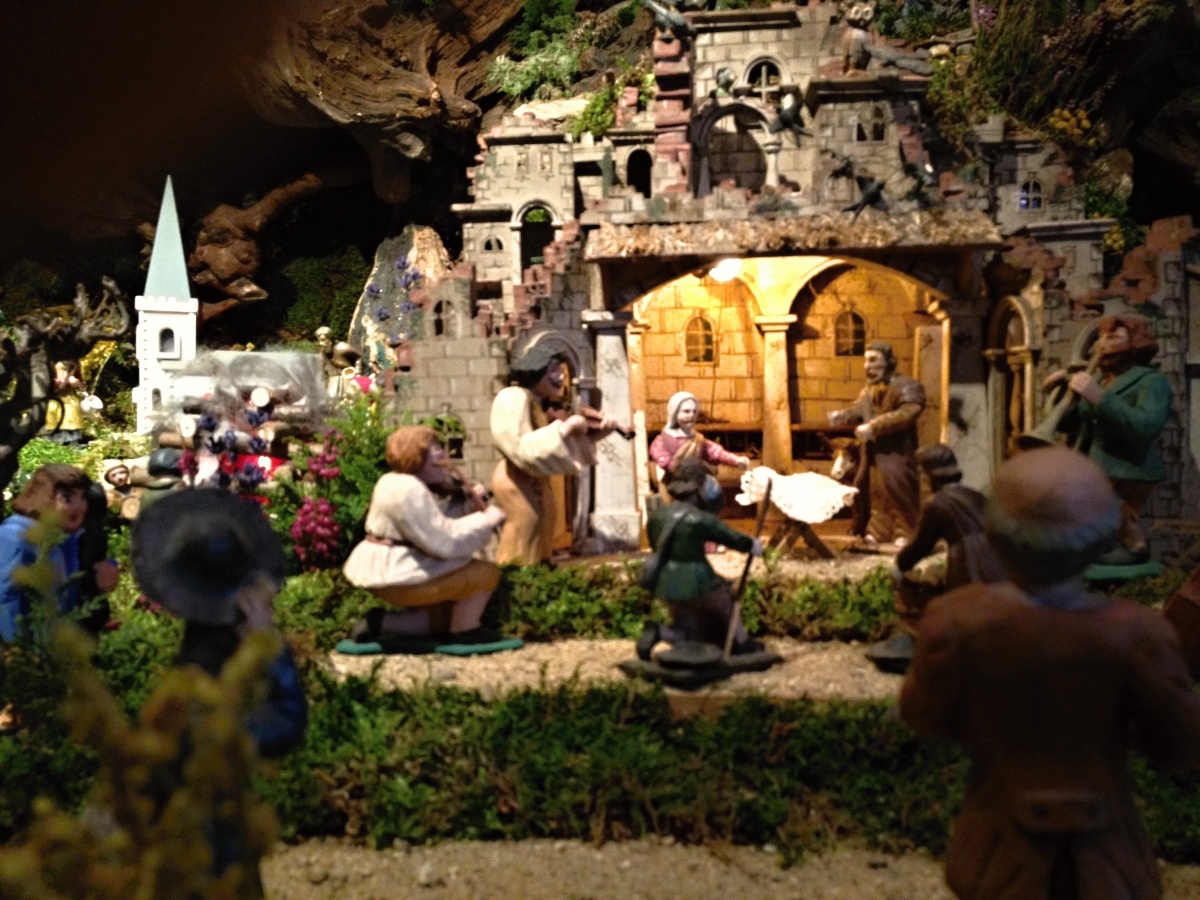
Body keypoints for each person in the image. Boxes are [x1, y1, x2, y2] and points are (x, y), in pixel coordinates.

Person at [900, 446, 1200, 900]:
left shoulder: (954, 622)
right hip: (1108, 856)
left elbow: (925, 717)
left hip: (994, 848)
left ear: (995, 533)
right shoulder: (1139, 634)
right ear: (1103, 538)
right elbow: (1178, 745)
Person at [131, 488, 307, 890]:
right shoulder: (204, 676)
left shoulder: (196, 657)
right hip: (205, 841)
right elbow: (281, 725)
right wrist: (271, 649)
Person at [343, 425, 508, 644]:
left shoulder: (392, 481)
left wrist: (468, 503)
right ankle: (465, 630)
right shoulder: (409, 489)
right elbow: (444, 540)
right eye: (434, 448)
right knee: (484, 573)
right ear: (414, 454)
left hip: (391, 571)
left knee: (440, 618)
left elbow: (428, 523)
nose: (442, 454)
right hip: (399, 576)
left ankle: (378, 623)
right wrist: (486, 520)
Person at [867, 444, 1006, 672]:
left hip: (970, 560)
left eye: (921, 473)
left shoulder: (937, 503)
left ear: (929, 475)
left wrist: (900, 566)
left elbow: (921, 544)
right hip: (997, 560)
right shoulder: (975, 495)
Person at [1047, 313, 1172, 565]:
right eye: (1102, 337)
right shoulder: (1101, 380)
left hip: (1129, 468)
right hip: (1099, 466)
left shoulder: (1152, 382)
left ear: (1135, 344)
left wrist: (1099, 397)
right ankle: (1101, 547)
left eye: (1114, 338)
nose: (1103, 344)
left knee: (1118, 511)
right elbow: (1070, 424)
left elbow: (1146, 427)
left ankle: (1135, 548)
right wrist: (1059, 393)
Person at [490, 344, 617, 565]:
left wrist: (602, 431)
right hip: (515, 478)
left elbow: (561, 447)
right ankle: (515, 575)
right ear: (536, 370)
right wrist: (565, 428)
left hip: (538, 479)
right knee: (526, 527)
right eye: (553, 370)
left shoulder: (544, 404)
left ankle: (542, 572)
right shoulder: (513, 396)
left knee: (546, 526)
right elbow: (518, 446)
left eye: (562, 370)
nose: (560, 376)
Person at [636, 457, 763, 660]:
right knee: (727, 603)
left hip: (665, 583)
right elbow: (729, 537)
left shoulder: (657, 517)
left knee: (686, 628)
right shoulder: (698, 519)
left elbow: (657, 546)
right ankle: (742, 642)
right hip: (697, 581)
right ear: (698, 489)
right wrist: (751, 545)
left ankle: (659, 632)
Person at [0, 464, 120, 643]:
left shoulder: (60, 539)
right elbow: (6, 600)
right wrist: (19, 650)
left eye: (83, 498)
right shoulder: (15, 538)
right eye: (67, 498)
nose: (80, 506)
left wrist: (95, 579)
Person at [829, 340, 925, 544]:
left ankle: (905, 532)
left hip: (896, 452)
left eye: (873, 360)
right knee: (875, 494)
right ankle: (878, 531)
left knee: (898, 491)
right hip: (872, 454)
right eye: (866, 361)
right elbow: (858, 411)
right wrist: (842, 416)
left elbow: (909, 411)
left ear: (888, 361)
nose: (867, 366)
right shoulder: (868, 391)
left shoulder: (906, 386)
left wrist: (874, 426)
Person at [649, 391, 749, 486]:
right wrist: (679, 468)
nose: (691, 415)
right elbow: (662, 458)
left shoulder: (697, 439)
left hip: (696, 484)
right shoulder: (662, 440)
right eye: (686, 411)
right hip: (673, 485)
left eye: (694, 411)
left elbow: (715, 452)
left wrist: (736, 460)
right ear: (674, 412)